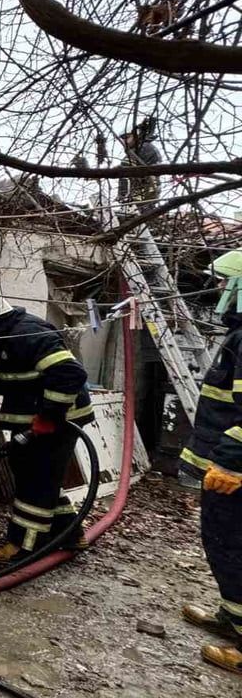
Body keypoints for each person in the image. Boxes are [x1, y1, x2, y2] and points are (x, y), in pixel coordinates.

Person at [0, 289, 93, 564]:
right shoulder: (8, 333)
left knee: (34, 479)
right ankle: (70, 533)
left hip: (59, 422)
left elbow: (70, 373)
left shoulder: (27, 334)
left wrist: (49, 417)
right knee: (44, 478)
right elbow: (17, 369)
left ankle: (25, 545)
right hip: (43, 419)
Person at [180, 248, 242, 675]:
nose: (219, 289)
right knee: (225, 547)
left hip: (234, 472)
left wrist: (231, 461)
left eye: (226, 282)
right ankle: (234, 619)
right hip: (227, 470)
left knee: (236, 548)